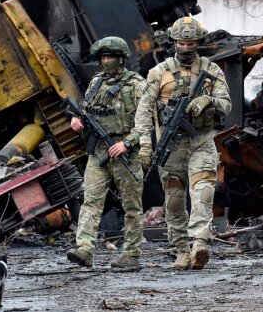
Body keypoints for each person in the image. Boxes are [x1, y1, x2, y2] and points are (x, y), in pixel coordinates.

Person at [133, 17, 231, 270]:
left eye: (190, 43)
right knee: (174, 200)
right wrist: (145, 144)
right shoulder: (158, 73)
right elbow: (143, 111)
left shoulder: (212, 70)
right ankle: (181, 249)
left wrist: (208, 101)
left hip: (201, 140)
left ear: (198, 43)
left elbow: (226, 105)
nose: (186, 48)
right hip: (171, 145)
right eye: (181, 43)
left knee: (203, 191)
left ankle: (199, 242)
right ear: (173, 43)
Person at [66, 36, 145, 270]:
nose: (106, 61)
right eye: (103, 58)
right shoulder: (96, 83)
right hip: (98, 151)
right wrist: (76, 120)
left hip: (125, 152)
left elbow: (148, 122)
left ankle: (131, 255)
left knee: (131, 205)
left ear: (121, 59)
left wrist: (128, 143)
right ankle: (85, 249)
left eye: (110, 57)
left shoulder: (136, 85)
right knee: (91, 201)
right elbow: (85, 110)